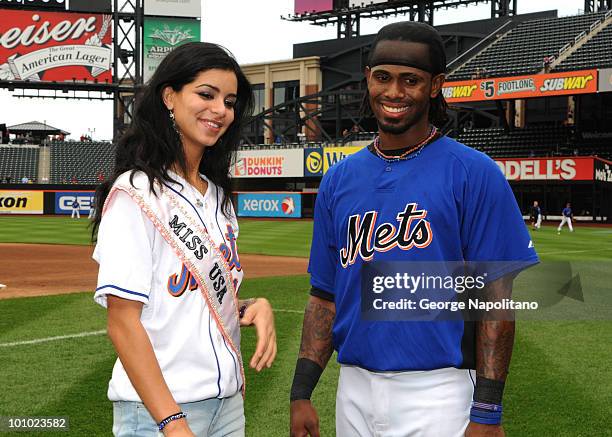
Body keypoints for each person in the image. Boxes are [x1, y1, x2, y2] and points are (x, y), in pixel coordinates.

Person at [289, 22, 538, 437]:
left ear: (436, 85)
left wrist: (488, 412)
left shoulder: (473, 173)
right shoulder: (339, 179)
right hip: (352, 388)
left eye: (411, 81)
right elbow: (324, 297)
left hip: (439, 392)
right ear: (368, 78)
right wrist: (301, 391)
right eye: (383, 77)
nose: (394, 93)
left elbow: (495, 301)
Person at [91, 42, 277, 437]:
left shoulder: (218, 196)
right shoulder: (136, 193)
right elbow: (123, 323)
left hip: (227, 408)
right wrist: (172, 423)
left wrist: (248, 306)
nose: (220, 110)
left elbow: (191, 297)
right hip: (160, 415)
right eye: (206, 94)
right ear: (169, 96)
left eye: (229, 101)